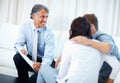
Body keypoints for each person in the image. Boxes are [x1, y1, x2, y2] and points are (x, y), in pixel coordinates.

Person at [37, 17, 102, 83]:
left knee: (43, 68)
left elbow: (61, 75)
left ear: (72, 30)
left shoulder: (70, 44)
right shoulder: (97, 44)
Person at [66, 14, 120, 83]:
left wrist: (88, 41)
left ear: (92, 27)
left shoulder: (101, 36)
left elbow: (111, 48)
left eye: (83, 26)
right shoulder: (89, 39)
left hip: (101, 77)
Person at [13, 4, 55, 82]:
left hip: (45, 61)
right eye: (42, 16)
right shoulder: (25, 26)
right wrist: (22, 49)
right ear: (33, 16)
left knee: (32, 81)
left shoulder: (49, 33)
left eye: (47, 17)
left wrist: (41, 66)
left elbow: (49, 56)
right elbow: (18, 44)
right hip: (31, 59)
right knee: (17, 57)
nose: (45, 20)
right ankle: (22, 79)